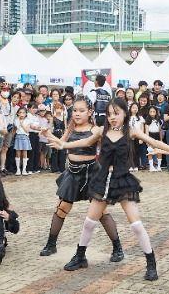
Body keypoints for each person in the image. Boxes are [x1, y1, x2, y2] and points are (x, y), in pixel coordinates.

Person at [44, 98, 169, 281]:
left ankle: (151, 263)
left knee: (136, 225)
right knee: (89, 222)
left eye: (116, 113)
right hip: (102, 180)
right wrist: (63, 145)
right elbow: (84, 143)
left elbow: (153, 142)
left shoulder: (131, 131)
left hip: (122, 181)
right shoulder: (102, 130)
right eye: (109, 114)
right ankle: (80, 256)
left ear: (125, 113)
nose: (112, 117)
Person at [39, 98, 125, 259]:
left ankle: (117, 248)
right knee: (62, 208)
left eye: (81, 110)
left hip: (92, 173)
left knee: (101, 212)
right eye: (75, 110)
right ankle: (51, 244)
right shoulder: (70, 128)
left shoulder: (96, 130)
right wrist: (47, 134)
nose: (77, 113)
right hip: (72, 173)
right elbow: (60, 143)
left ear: (90, 112)